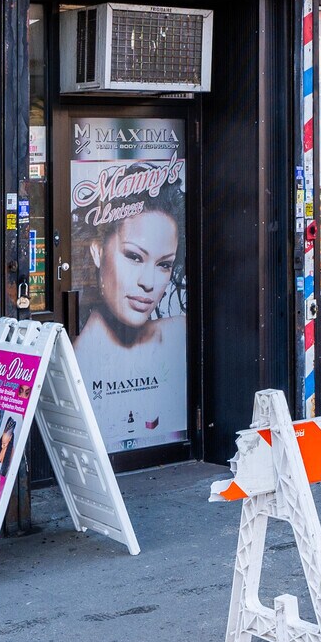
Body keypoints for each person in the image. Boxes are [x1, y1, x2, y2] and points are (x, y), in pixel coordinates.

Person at [72, 175, 186, 450]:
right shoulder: (73, 363)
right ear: (98, 252)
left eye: (164, 265)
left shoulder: (180, 336)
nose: (149, 282)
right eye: (134, 257)